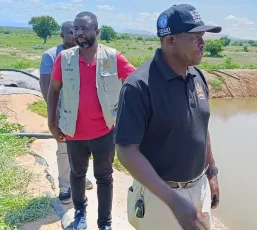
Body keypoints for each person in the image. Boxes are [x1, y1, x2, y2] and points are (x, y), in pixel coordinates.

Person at [113, 4, 221, 230]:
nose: (203, 43)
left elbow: (202, 126)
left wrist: (211, 172)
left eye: (203, 36)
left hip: (198, 188)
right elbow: (126, 150)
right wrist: (174, 201)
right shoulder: (139, 86)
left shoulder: (197, 76)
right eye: (195, 37)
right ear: (170, 40)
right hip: (160, 196)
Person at [47, 12, 136, 230]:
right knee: (77, 175)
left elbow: (136, 82)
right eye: (76, 28)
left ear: (97, 31)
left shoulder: (113, 58)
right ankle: (80, 213)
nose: (79, 33)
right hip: (73, 131)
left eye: (85, 28)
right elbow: (53, 90)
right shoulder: (64, 59)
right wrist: (52, 122)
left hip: (105, 131)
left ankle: (104, 223)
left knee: (104, 177)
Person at [39, 21, 93, 205]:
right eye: (71, 32)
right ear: (62, 34)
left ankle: (79, 177)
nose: (76, 34)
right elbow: (48, 88)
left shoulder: (84, 53)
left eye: (77, 31)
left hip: (84, 112)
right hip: (63, 112)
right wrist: (55, 115)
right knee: (64, 149)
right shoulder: (51, 56)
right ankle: (65, 185)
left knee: (83, 149)